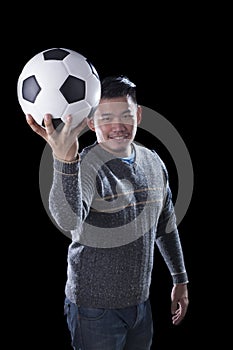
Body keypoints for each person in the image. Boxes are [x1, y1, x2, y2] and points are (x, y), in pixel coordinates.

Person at [26, 75, 189, 350]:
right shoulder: (87, 165)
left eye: (125, 115)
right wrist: (65, 161)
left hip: (141, 305)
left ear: (138, 114)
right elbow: (68, 220)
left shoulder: (153, 161)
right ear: (91, 122)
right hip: (94, 311)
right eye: (105, 118)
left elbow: (166, 225)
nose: (117, 126)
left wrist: (180, 279)